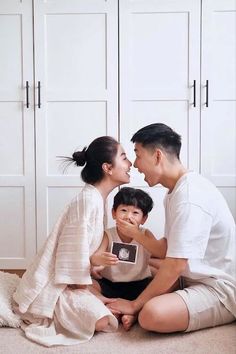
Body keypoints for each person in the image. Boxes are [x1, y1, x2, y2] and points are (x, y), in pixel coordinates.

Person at [107, 123, 236, 333]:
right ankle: (161, 298)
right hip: (191, 275)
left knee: (151, 314)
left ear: (157, 156)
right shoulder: (174, 191)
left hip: (217, 287)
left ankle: (141, 309)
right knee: (146, 263)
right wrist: (136, 235)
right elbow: (168, 250)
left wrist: (134, 305)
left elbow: (175, 264)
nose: (135, 164)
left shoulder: (189, 197)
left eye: (138, 155)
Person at [13, 136, 132, 347]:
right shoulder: (88, 200)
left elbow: (87, 251)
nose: (130, 163)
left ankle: (109, 304)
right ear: (108, 168)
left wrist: (95, 267)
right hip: (56, 286)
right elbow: (70, 258)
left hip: (75, 281)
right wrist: (96, 298)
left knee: (107, 293)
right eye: (123, 157)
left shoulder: (97, 199)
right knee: (103, 319)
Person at [90, 187, 168, 330]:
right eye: (123, 210)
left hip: (139, 284)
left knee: (159, 290)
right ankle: (109, 305)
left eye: (135, 213)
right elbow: (94, 258)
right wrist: (99, 260)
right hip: (110, 284)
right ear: (114, 213)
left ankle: (132, 314)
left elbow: (161, 253)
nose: (128, 216)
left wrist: (137, 235)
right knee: (87, 286)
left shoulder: (145, 234)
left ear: (143, 219)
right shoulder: (108, 234)